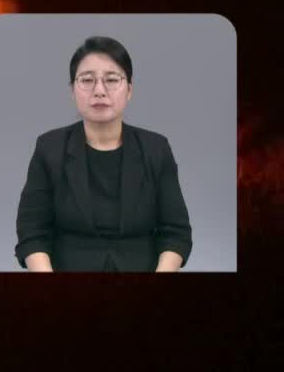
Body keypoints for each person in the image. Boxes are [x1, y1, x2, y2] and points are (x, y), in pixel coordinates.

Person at [14, 36, 192, 271]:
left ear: (129, 90)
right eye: (87, 80)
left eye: (111, 80)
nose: (99, 91)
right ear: (72, 90)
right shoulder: (49, 148)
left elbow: (176, 232)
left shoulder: (156, 149)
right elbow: (32, 232)